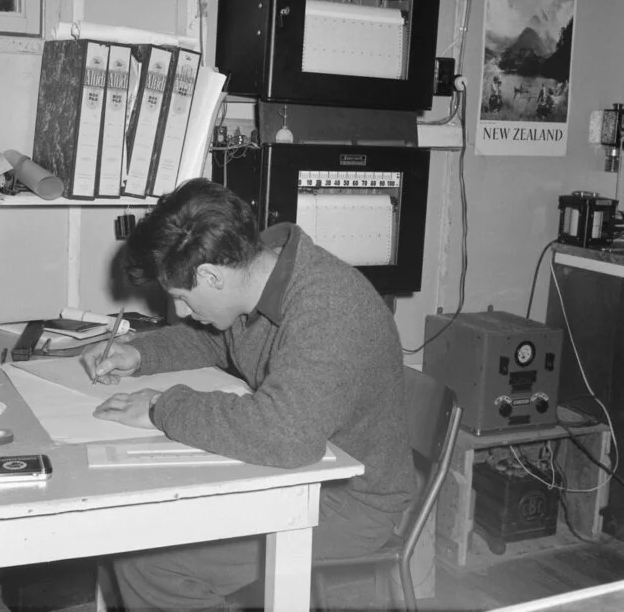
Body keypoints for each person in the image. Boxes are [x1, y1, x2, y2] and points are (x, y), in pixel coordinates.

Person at [84, 177, 415, 611]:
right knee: (143, 525)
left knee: (151, 561)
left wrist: (160, 407)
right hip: (312, 474)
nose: (182, 312)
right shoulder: (261, 272)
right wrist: (139, 355)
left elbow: (285, 435)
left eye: (182, 298)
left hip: (352, 501)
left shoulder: (329, 310)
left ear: (210, 275)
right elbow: (215, 339)